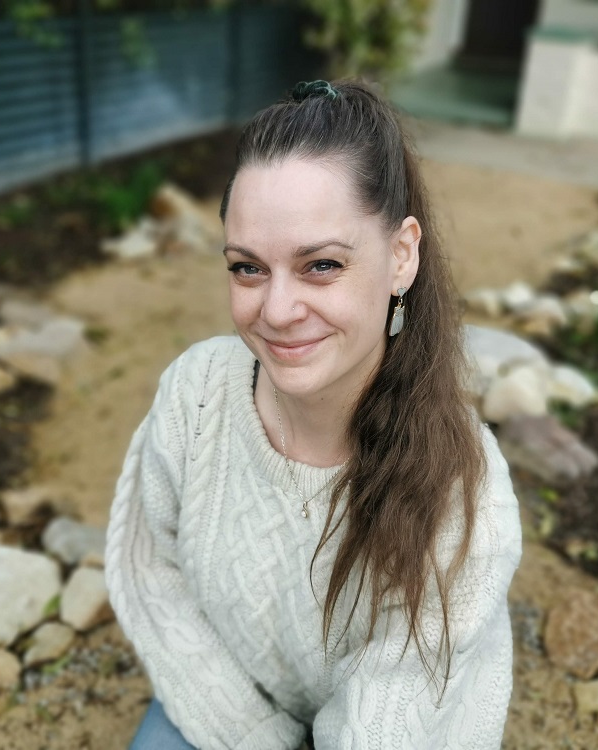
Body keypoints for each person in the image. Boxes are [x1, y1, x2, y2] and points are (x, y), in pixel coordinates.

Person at [104, 79, 522, 750]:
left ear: (401, 256)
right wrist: (252, 735)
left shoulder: (463, 486)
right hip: (243, 701)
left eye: (320, 265)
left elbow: (394, 717)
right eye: (247, 268)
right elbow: (153, 573)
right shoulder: (197, 393)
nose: (276, 310)